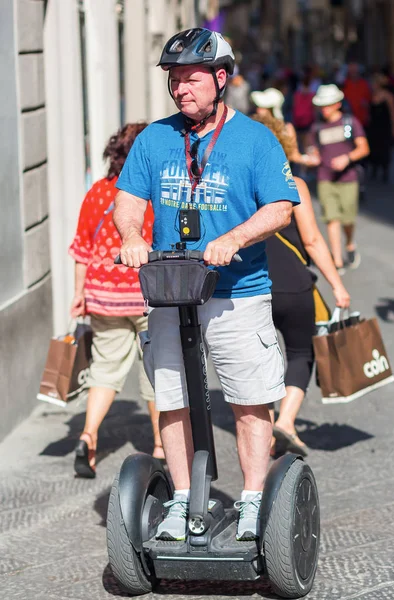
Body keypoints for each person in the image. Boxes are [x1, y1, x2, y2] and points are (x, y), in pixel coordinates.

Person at [114, 28, 300, 542]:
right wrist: (132, 235)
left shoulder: (255, 139)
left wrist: (235, 237)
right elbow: (127, 198)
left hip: (237, 292)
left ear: (221, 78)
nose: (180, 90)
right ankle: (179, 498)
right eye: (174, 82)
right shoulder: (155, 138)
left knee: (248, 401)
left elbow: (281, 207)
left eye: (191, 79)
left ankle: (252, 499)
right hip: (172, 290)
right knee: (171, 399)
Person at [69, 123, 164, 479]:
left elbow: (81, 248)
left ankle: (88, 436)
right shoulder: (151, 194)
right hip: (146, 295)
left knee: (104, 371)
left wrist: (79, 294)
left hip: (103, 296)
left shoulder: (97, 192)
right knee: (156, 369)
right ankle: (159, 445)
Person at [255, 112, 350, 455]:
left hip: (253, 284)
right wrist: (337, 285)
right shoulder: (295, 185)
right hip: (295, 285)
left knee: (257, 360)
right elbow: (311, 241)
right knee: (301, 351)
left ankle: (263, 431)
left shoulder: (238, 186)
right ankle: (286, 421)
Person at [308, 84, 370, 274]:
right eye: (321, 105)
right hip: (325, 177)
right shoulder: (317, 127)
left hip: (348, 178)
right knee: (332, 219)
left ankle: (350, 244)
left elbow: (364, 148)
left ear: (337, 104)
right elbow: (313, 151)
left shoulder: (349, 123)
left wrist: (347, 158)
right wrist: (309, 157)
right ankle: (337, 260)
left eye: (327, 104)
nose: (324, 108)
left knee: (347, 219)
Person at [250, 87, 318, 170]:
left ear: (272, 109)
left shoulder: (287, 128)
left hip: (281, 176)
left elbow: (294, 155)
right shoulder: (253, 127)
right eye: (259, 106)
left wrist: (308, 159)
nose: (258, 110)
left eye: (263, 107)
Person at [367, 73, 394, 182]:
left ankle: (385, 171)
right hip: (373, 127)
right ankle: (375, 169)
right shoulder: (371, 96)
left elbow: (393, 113)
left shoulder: (388, 96)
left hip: (384, 127)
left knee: (384, 149)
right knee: (374, 148)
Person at [342, 62, 371, 128]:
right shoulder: (344, 84)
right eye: (352, 70)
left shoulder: (364, 84)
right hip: (349, 121)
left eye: (355, 70)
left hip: (363, 120)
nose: (353, 72)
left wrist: (367, 104)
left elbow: (370, 100)